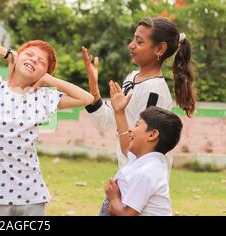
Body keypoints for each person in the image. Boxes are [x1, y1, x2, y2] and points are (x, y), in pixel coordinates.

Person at [0, 35, 94, 216]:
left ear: (45, 72)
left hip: (31, 195)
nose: (33, 59)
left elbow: (87, 98)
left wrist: (49, 80)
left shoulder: (43, 97)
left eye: (41, 62)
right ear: (18, 57)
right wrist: (8, 53)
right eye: (30, 54)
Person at [82, 17, 195, 173]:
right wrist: (94, 86)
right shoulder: (132, 77)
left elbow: (135, 150)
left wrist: (120, 112)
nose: (131, 45)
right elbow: (107, 122)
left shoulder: (154, 91)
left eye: (139, 42)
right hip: (129, 173)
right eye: (133, 39)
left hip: (143, 180)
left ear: (160, 49)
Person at [101, 81, 182, 216]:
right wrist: (119, 112)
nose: (131, 129)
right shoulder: (144, 161)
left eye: (137, 125)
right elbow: (126, 144)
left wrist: (114, 198)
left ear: (152, 135)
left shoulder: (147, 172)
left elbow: (127, 214)